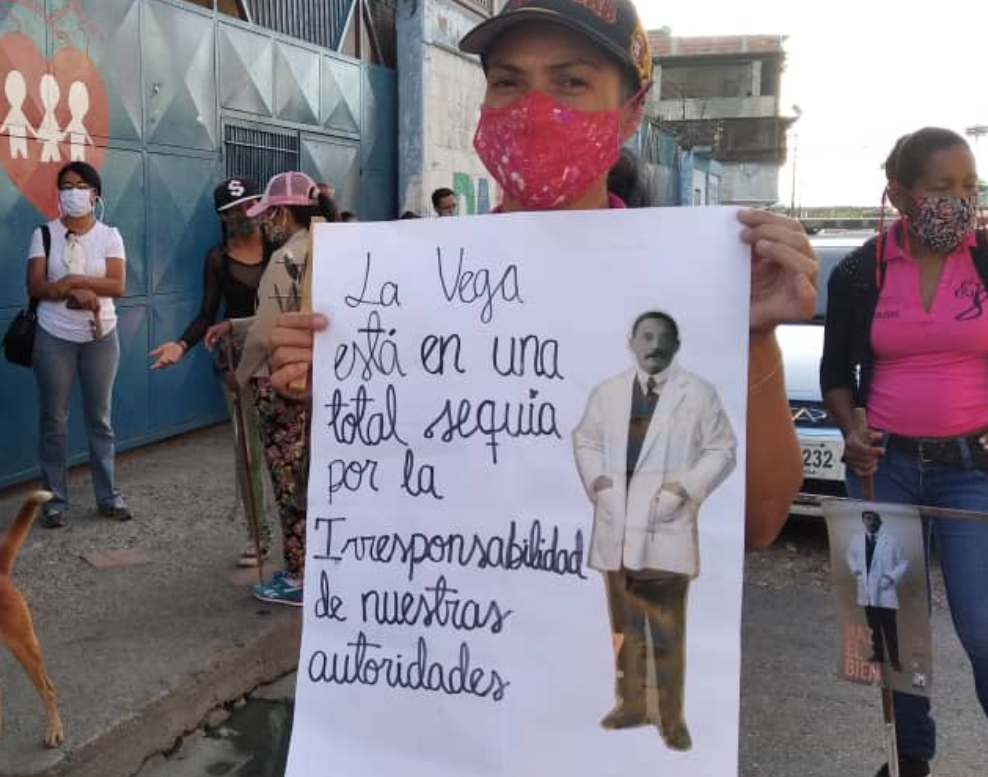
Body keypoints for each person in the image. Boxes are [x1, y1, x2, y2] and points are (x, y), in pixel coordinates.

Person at [264, 0, 813, 615]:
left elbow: (760, 520)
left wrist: (755, 334)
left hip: (605, 665)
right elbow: (383, 500)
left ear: (630, 113)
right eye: (507, 82)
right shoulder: (407, 292)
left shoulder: (689, 283)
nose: (532, 109)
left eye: (570, 80)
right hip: (448, 651)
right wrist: (332, 393)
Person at [821, 126, 988, 777]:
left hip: (970, 474)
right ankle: (908, 757)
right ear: (899, 194)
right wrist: (849, 430)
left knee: (981, 629)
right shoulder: (862, 271)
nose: (960, 201)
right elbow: (837, 373)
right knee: (891, 631)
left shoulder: (985, 259)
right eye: (942, 187)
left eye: (968, 186)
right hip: (882, 469)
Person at [573, 311, 737, 752]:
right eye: (646, 336)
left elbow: (723, 449)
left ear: (677, 344)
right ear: (631, 340)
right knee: (624, 627)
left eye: (664, 338)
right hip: (617, 526)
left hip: (666, 527)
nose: (654, 346)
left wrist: (684, 488)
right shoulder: (606, 393)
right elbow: (586, 440)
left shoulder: (698, 394)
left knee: (665, 631)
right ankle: (630, 706)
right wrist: (599, 484)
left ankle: (670, 718)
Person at [149, 176, 275, 566]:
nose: (242, 214)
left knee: (293, 450)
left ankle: (304, 529)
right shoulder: (217, 258)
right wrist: (181, 344)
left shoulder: (282, 247)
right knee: (249, 452)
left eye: (248, 205)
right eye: (232, 210)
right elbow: (207, 314)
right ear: (222, 217)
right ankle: (260, 535)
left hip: (285, 355)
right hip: (238, 364)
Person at [233, 171, 339, 606]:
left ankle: (297, 575)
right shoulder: (334, 249)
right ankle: (323, 566)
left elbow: (267, 331)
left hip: (282, 384)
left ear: (281, 213)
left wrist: (240, 374)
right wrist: (235, 326)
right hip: (326, 381)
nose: (265, 224)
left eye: (269, 214)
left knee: (289, 483)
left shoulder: (285, 259)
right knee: (319, 479)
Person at [27, 160, 131, 528]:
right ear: (59, 194)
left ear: (95, 194)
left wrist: (75, 281)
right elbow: (37, 286)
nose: (74, 192)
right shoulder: (43, 234)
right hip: (54, 337)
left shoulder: (109, 236)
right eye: (66, 186)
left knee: (100, 419)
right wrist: (70, 284)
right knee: (53, 420)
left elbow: (118, 285)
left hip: (100, 337)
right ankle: (54, 501)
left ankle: (108, 496)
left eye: (81, 185)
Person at [847, 511, 908, 673]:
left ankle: (895, 660)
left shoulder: (892, 541)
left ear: (880, 522)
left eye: (874, 519)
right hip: (867, 592)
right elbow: (850, 556)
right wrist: (856, 570)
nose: (871, 522)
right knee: (873, 627)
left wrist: (890, 577)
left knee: (889, 628)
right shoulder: (856, 540)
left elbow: (903, 562)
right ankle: (878, 655)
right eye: (867, 519)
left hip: (885, 590)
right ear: (863, 521)